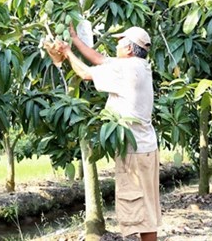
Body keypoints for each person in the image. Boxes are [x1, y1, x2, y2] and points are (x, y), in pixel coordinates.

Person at [45, 24, 161, 241]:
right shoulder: (139, 65)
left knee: (138, 209)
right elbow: (99, 60)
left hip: (134, 150)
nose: (116, 44)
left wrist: (67, 52)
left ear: (128, 49)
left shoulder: (126, 69)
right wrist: (74, 39)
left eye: (120, 42)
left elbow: (86, 73)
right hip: (145, 146)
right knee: (147, 208)